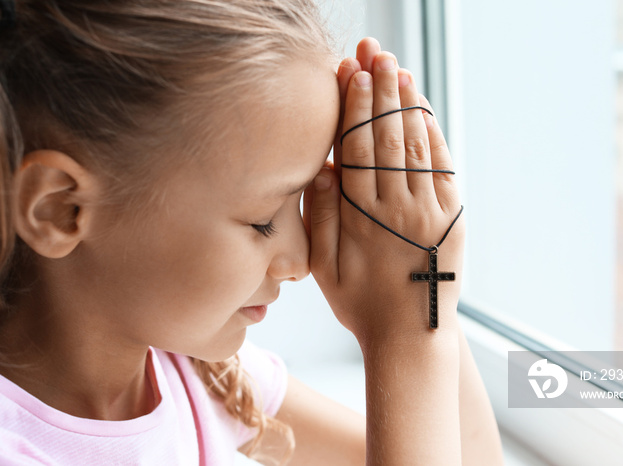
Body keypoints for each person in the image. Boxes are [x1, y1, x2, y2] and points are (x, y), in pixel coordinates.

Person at [0, 0, 503, 464]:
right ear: (61, 210)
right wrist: (407, 329)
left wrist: (420, 270)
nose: (301, 261)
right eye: (263, 219)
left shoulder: (199, 377)